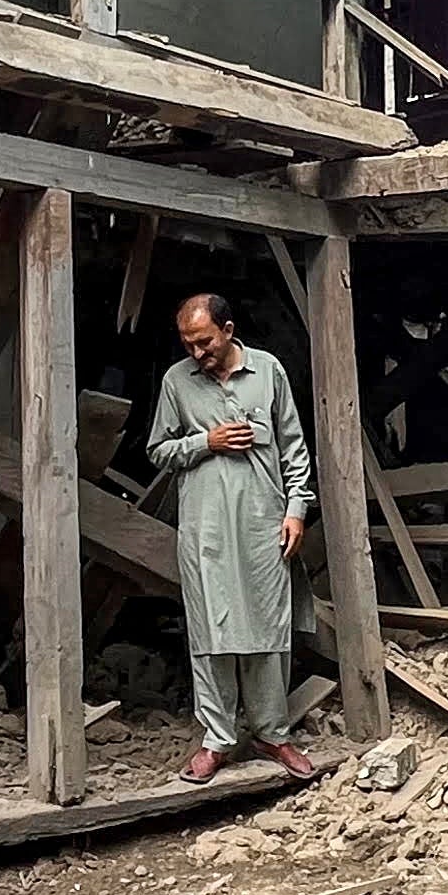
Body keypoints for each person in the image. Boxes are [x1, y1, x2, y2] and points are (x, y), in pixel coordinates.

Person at [144, 292, 322, 785]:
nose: (196, 353)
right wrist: (206, 442)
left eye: (204, 342)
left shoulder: (268, 371)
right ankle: (217, 739)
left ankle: (272, 732)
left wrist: (296, 509)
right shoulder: (176, 381)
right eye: (187, 344)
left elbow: (293, 445)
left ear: (227, 329)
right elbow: (157, 450)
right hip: (205, 531)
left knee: (269, 631)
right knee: (211, 636)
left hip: (265, 524)